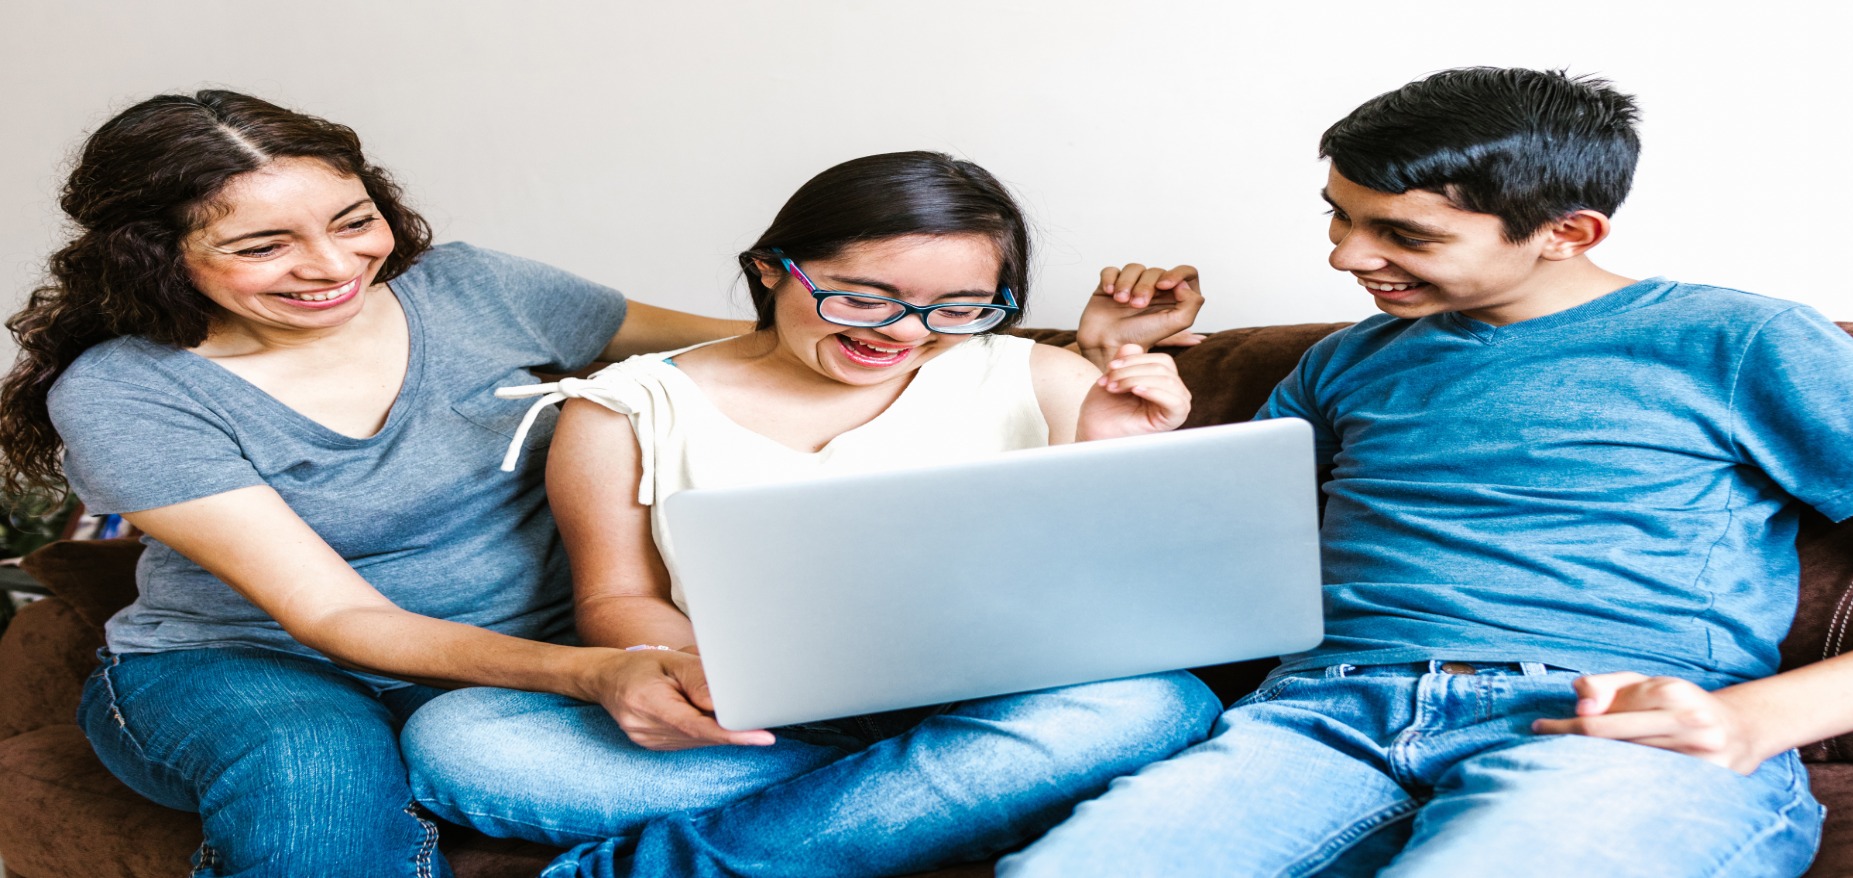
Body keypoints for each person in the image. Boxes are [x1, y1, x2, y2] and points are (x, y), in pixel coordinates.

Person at [0, 92, 1189, 878]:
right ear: (157, 256)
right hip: (265, 664)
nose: (330, 267)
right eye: (263, 246)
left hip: (532, 674)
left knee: (1150, 703)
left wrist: (1052, 357)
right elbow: (340, 618)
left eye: (351, 220)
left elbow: (758, 339)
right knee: (325, 780)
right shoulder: (128, 389)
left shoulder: (474, 287)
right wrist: (608, 666)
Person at [1000, 68, 1853, 878]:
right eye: (1336, 219)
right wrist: (1108, 399)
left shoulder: (1737, 339)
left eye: (1403, 235)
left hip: (1604, 726)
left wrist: (1753, 719)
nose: (1346, 258)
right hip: (1320, 719)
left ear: (1567, 230)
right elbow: (1189, 571)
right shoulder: (1345, 362)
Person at [400, 150, 1223, 878]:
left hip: (987, 703)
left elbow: (1114, 598)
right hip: (756, 724)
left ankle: (679, 862)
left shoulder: (1040, 375)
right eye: (865, 298)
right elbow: (614, 603)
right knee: (462, 743)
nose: (905, 333)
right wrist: (738, 673)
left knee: (1156, 703)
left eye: (959, 308)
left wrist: (1112, 439)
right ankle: (947, 795)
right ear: (770, 268)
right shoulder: (624, 407)